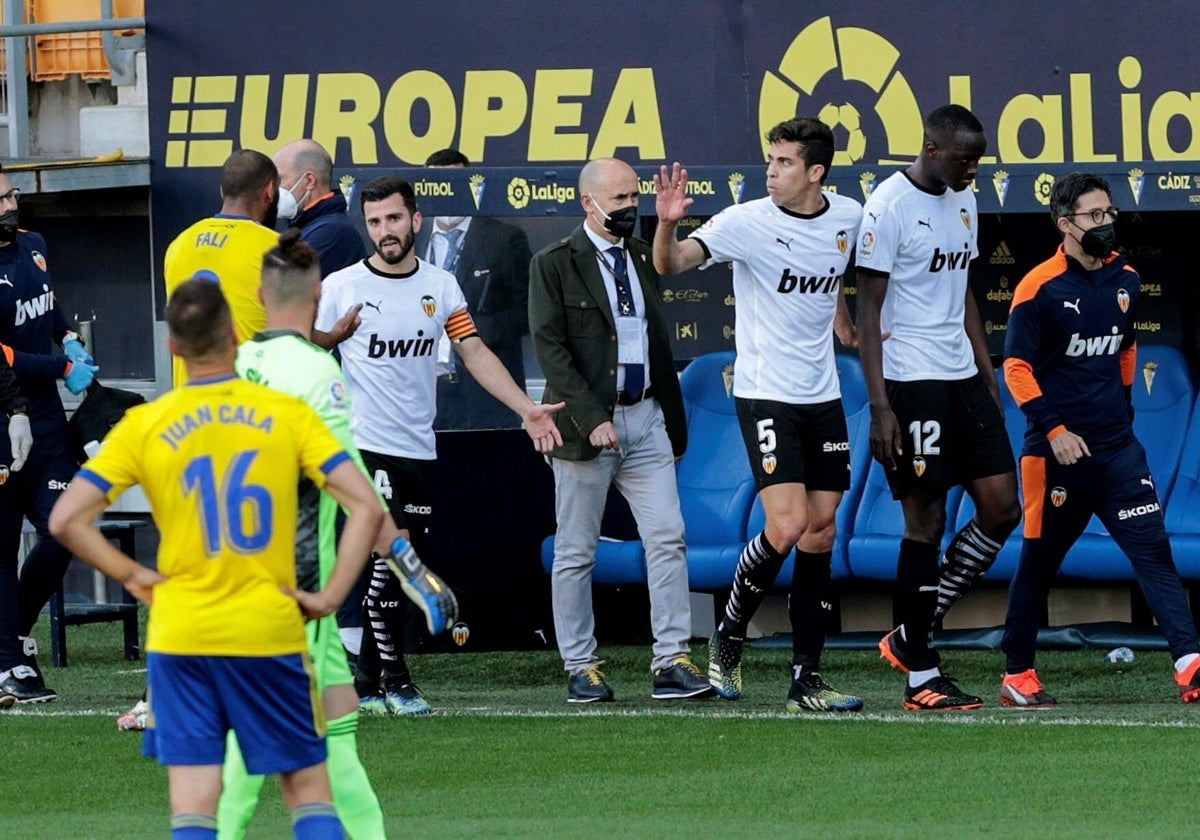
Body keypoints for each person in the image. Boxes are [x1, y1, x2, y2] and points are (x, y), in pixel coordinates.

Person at [48, 278, 386, 840]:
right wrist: (328, 598)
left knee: (196, 809)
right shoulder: (285, 413)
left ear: (174, 349)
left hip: (182, 632)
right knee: (308, 793)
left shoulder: (145, 423)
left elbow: (64, 520)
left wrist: (133, 574)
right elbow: (365, 508)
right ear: (235, 335)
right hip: (268, 627)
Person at [316, 175, 562, 714]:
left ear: (416, 220)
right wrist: (327, 342)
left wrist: (524, 408)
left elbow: (472, 351)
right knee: (395, 561)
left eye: (394, 219)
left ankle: (365, 684)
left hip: (419, 450)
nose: (385, 231)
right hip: (364, 448)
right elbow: (300, 346)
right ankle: (400, 682)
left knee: (404, 562)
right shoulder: (341, 288)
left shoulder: (440, 285)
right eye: (375, 222)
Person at [652, 118, 865, 712]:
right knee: (789, 525)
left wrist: (842, 320)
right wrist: (668, 224)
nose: (770, 171)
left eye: (785, 163)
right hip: (766, 392)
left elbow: (837, 270)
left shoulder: (848, 216)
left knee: (822, 529)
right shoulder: (746, 221)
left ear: (816, 172)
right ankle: (727, 637)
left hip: (823, 395)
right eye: (770, 160)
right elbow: (670, 266)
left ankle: (807, 678)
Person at [1000, 172, 1200, 707]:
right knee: (1038, 561)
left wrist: (1124, 411)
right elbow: (1016, 368)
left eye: (1109, 213)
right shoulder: (1037, 287)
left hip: (1117, 451)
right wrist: (1056, 430)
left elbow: (1127, 348)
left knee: (1154, 552)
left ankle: (1190, 664)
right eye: (1094, 216)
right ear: (1066, 225)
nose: (1106, 223)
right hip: (1055, 455)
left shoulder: (1127, 280)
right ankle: (1017, 674)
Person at [219, 230, 390, 838]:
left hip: (227, 579)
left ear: (262, 294)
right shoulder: (319, 374)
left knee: (336, 735)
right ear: (318, 294)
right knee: (261, 742)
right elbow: (356, 490)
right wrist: (403, 556)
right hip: (296, 589)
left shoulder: (231, 366)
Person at [856, 104, 1021, 711]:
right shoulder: (888, 207)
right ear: (931, 149)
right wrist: (880, 407)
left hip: (962, 377)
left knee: (1002, 507)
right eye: (965, 159)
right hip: (910, 380)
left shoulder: (963, 198)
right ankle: (921, 674)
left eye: (978, 160)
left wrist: (987, 369)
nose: (974, 169)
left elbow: (965, 288)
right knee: (924, 523)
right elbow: (868, 314)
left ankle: (911, 629)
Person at [529, 156, 713, 703]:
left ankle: (672, 660)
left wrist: (667, 222)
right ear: (588, 203)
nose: (630, 208)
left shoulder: (641, 254)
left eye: (635, 197)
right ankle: (580, 665)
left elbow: (667, 272)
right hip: (585, 426)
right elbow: (551, 350)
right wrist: (593, 418)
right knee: (576, 550)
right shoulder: (554, 263)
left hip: (647, 416)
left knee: (667, 536)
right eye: (620, 200)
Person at [0, 165, 98, 706]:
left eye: (13, 194)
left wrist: (68, 339)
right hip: (2, 418)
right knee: (2, 546)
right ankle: (8, 664)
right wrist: (61, 369)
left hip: (47, 420)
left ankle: (15, 633)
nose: (13, 204)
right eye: (3, 198)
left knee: (67, 525)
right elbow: (3, 356)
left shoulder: (35, 244)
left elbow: (49, 305)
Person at [163, 150, 357, 387]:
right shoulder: (276, 248)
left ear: (222, 191)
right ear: (269, 191)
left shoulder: (179, 244)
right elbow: (297, 333)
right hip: (254, 406)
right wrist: (333, 337)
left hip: (191, 407)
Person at [423, 148, 533, 430]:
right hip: (425, 392)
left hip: (486, 395)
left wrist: (469, 332)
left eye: (456, 185)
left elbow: (529, 312)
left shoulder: (504, 239)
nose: (447, 194)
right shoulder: (408, 238)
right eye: (439, 186)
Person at [272, 139, 369, 279]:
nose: (274, 189)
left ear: (310, 181)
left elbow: (281, 286)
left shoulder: (331, 231)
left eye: (280, 180)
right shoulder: (305, 223)